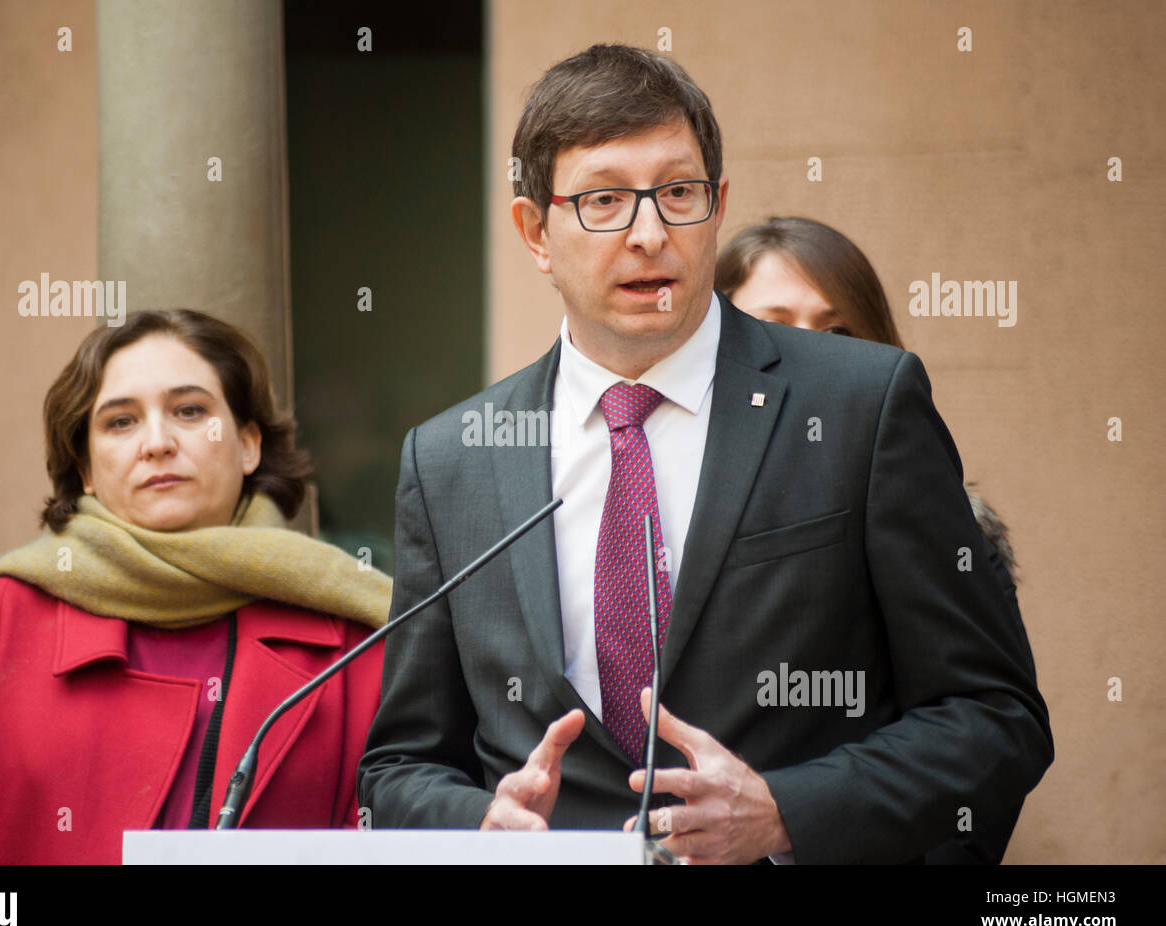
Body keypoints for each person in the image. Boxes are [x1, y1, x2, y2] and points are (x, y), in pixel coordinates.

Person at [357, 44, 1052, 864]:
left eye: (678, 193)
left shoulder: (862, 404)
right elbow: (401, 763)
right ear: (534, 231)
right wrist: (477, 822)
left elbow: (993, 714)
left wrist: (786, 811)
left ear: (718, 204)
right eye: (605, 200)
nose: (649, 234)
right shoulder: (450, 461)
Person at [0, 309, 391, 864]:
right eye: (120, 422)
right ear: (84, 467)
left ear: (248, 444)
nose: (157, 442)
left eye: (190, 411)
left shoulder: (353, 632)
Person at [717, 215, 1036, 863]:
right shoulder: (664, 517)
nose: (809, 359)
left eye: (837, 333)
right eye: (775, 328)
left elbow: (986, 734)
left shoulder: (949, 529)